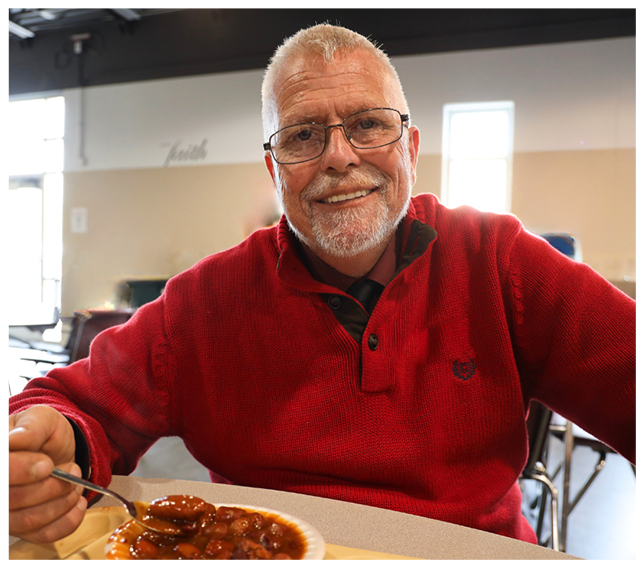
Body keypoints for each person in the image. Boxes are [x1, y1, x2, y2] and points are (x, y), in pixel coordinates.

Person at [9, 23, 635, 547]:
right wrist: (52, 441)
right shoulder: (206, 302)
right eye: (303, 135)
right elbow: (67, 405)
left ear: (411, 148)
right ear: (273, 168)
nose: (339, 156)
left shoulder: (500, 263)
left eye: (368, 124)